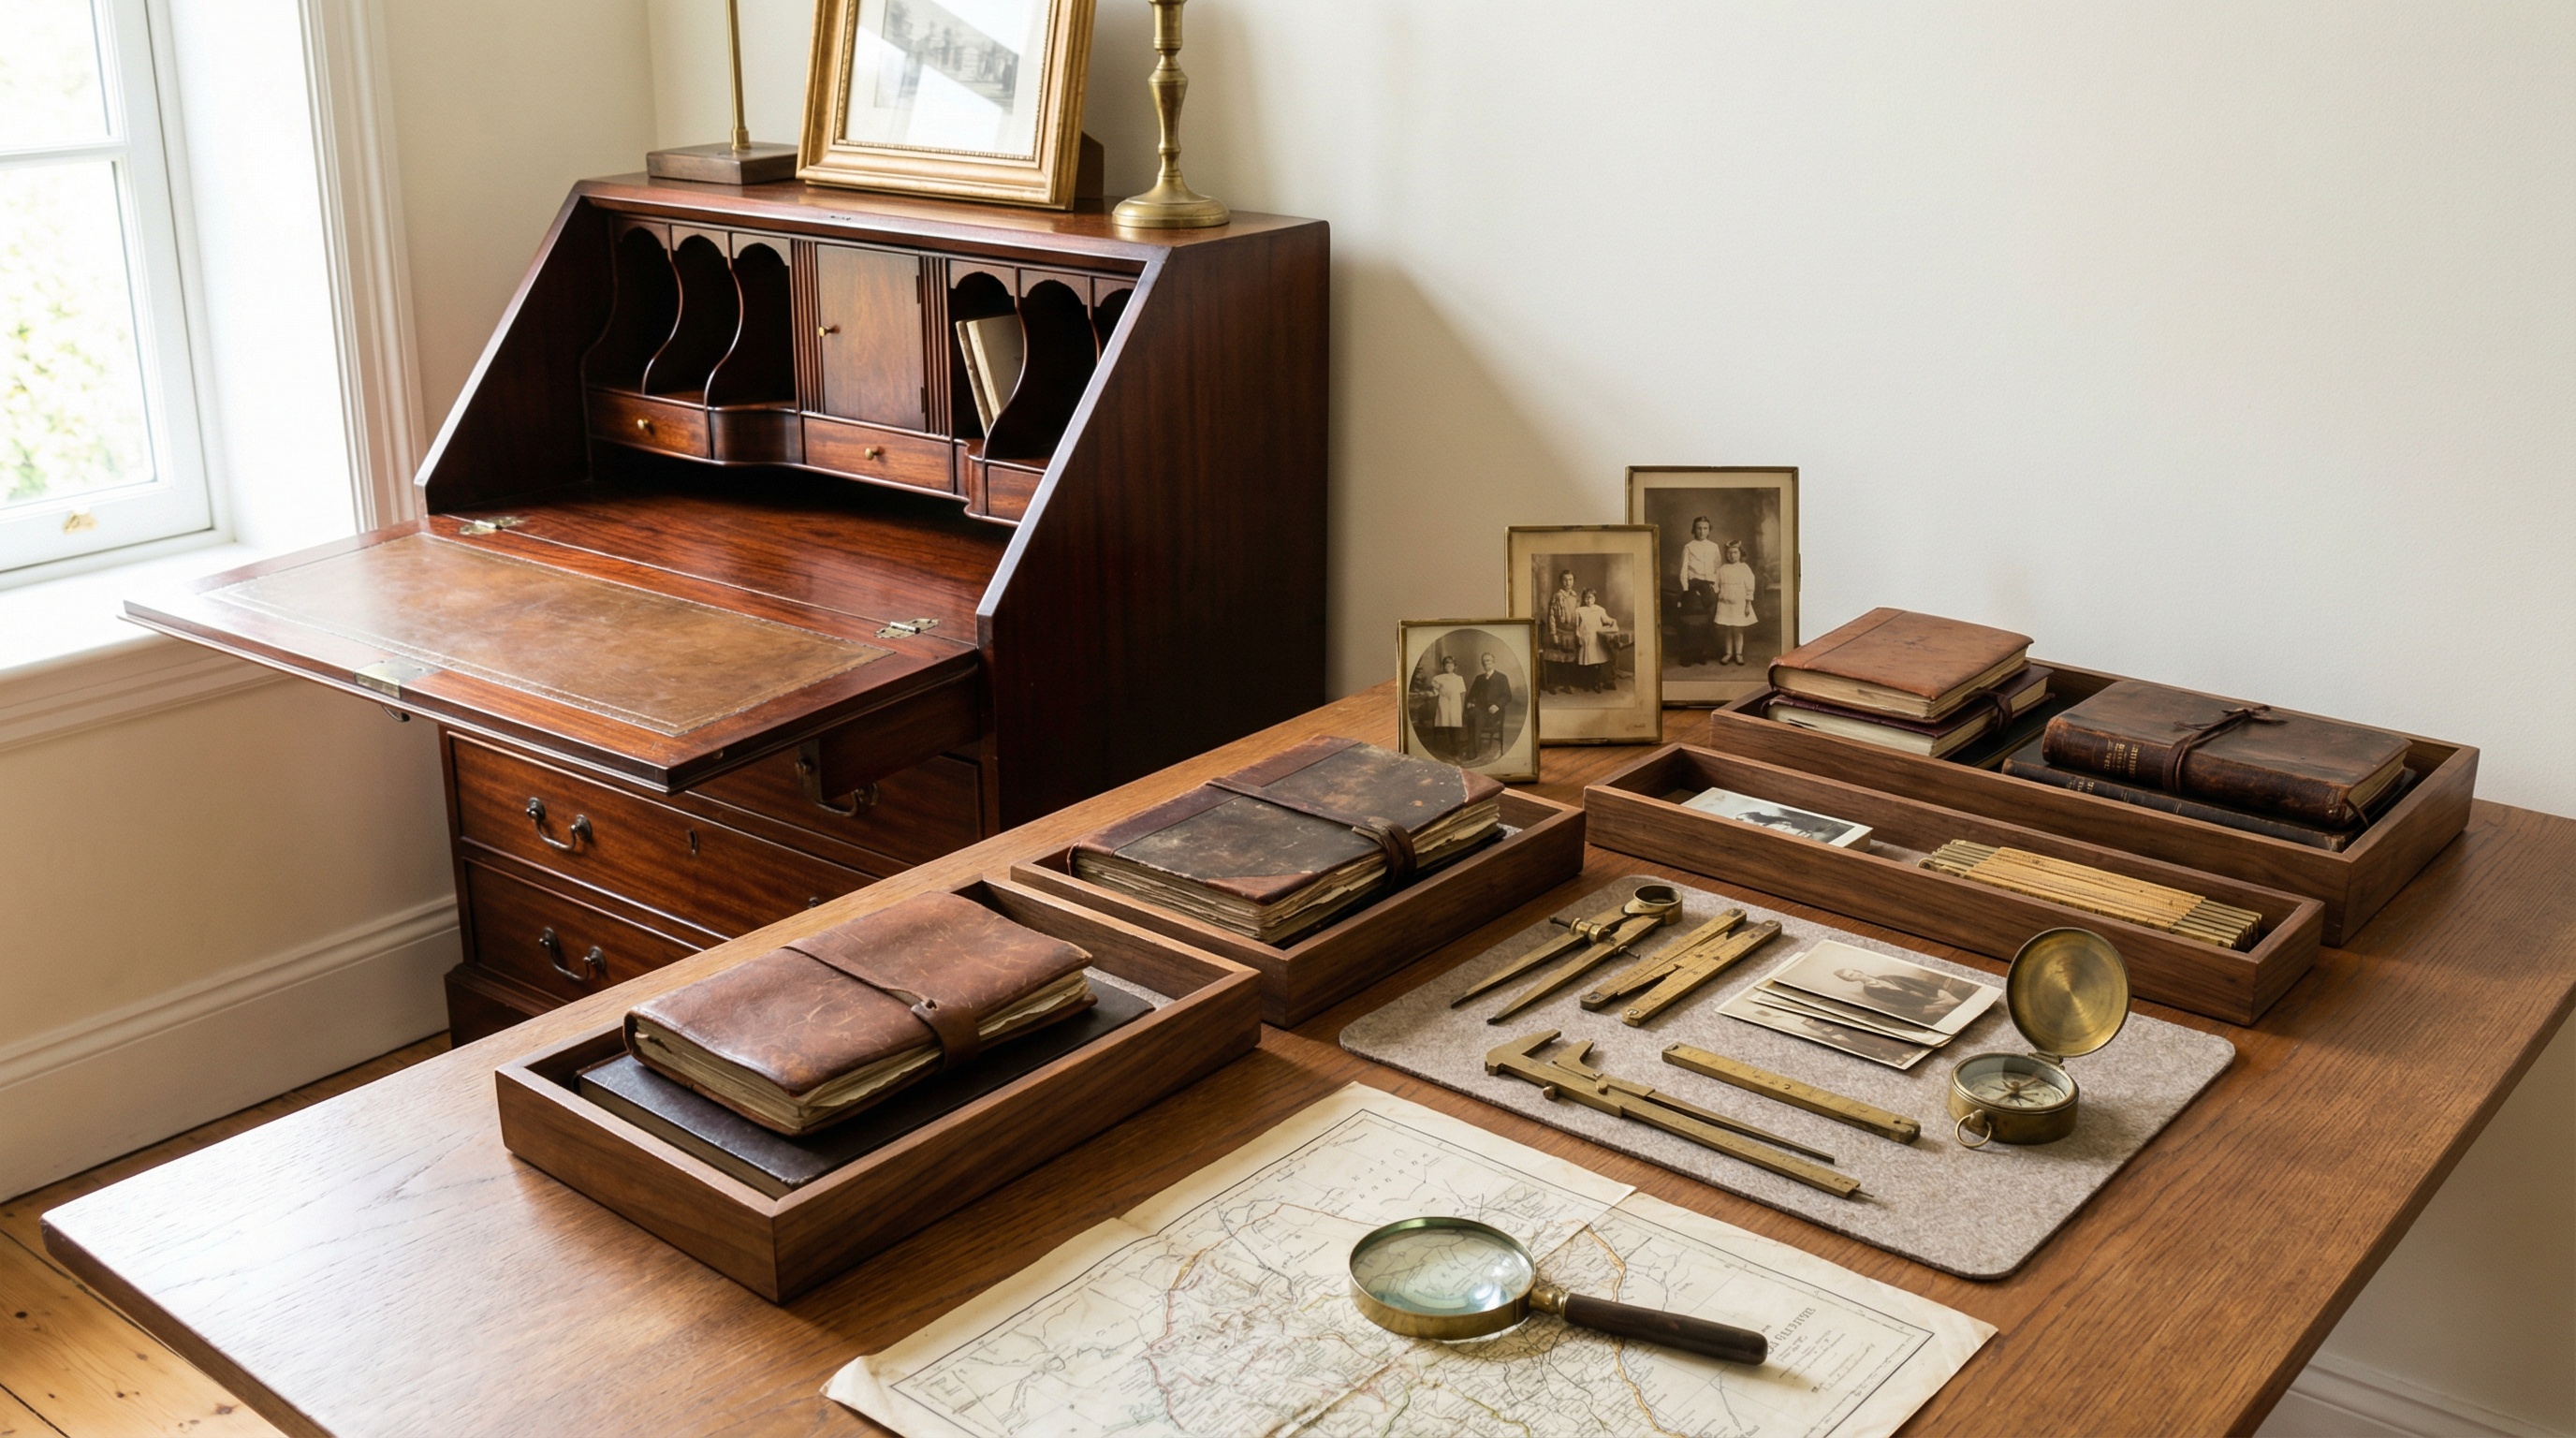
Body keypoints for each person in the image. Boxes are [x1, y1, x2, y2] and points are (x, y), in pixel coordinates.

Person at [1834, 965, 1969, 1026]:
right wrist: (1919, 1001)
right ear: (1850, 980)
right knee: (1946, 1013)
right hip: (1919, 1003)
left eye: (1854, 972)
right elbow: (1897, 1001)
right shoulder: (1870, 990)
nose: (1856, 975)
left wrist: (1935, 990)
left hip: (1929, 994)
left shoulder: (1885, 977)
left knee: (1956, 1001)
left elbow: (1914, 983)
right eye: (1851, 976)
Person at [1677, 518, 1722, 667]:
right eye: (1699, 528)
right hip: (1694, 585)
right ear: (1693, 529)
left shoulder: (1714, 547)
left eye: (1705, 528)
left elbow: (1717, 569)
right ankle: (1687, 655)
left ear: (1709, 530)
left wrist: (1715, 588)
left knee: (1707, 623)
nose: (1702, 531)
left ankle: (1700, 653)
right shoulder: (1688, 547)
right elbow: (1684, 570)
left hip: (1709, 587)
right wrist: (1686, 590)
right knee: (1692, 624)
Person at [1713, 539, 1759, 667]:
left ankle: (1738, 653)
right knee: (1728, 629)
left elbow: (1750, 586)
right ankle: (1728, 653)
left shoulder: (1744, 568)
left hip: (1739, 604)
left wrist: (1748, 604)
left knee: (1738, 629)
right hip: (1725, 604)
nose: (1732, 555)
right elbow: (1716, 584)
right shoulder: (1722, 569)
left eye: (1735, 552)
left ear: (1740, 554)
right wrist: (1712, 590)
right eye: (1729, 553)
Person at [1466, 652, 1513, 762]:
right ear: (1482, 664)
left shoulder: (1502, 677)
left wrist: (1497, 705)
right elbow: (1471, 695)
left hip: (1494, 712)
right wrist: (1469, 702)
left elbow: (1507, 696)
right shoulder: (1479, 678)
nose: (1486, 663)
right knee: (1471, 714)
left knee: (1476, 717)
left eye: (1488, 660)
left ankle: (1473, 750)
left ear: (1493, 662)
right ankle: (1473, 746)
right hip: (1480, 710)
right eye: (1484, 661)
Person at [1574, 588, 1621, 692]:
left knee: (1596, 662)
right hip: (1586, 638)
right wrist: (1579, 637)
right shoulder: (1579, 610)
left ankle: (1596, 683)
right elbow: (1577, 626)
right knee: (1587, 662)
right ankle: (1587, 683)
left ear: (1594, 598)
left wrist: (1611, 621)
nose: (1588, 600)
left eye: (1590, 597)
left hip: (1596, 639)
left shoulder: (1600, 609)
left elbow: (1605, 619)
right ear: (1583, 599)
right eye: (1586, 597)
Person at [1543, 568, 1582, 692]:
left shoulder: (1576, 597)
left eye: (1570, 579)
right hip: (1559, 631)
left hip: (1572, 633)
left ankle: (1567, 684)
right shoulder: (1557, 596)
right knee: (1557, 658)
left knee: (1569, 659)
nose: (1568, 582)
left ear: (1573, 581)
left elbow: (1579, 616)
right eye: (1565, 580)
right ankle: (1553, 684)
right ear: (1561, 582)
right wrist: (1553, 633)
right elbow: (1551, 616)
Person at [1427, 654, 1468, 757]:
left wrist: (1462, 708)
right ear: (1443, 666)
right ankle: (1447, 747)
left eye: (1451, 664)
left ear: (1455, 666)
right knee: (1445, 725)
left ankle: (1455, 750)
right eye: (1447, 664)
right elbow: (1436, 691)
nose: (1449, 666)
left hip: (1455, 705)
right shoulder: (1438, 678)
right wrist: (1431, 694)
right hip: (1444, 704)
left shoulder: (1459, 678)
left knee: (1454, 726)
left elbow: (1462, 694)